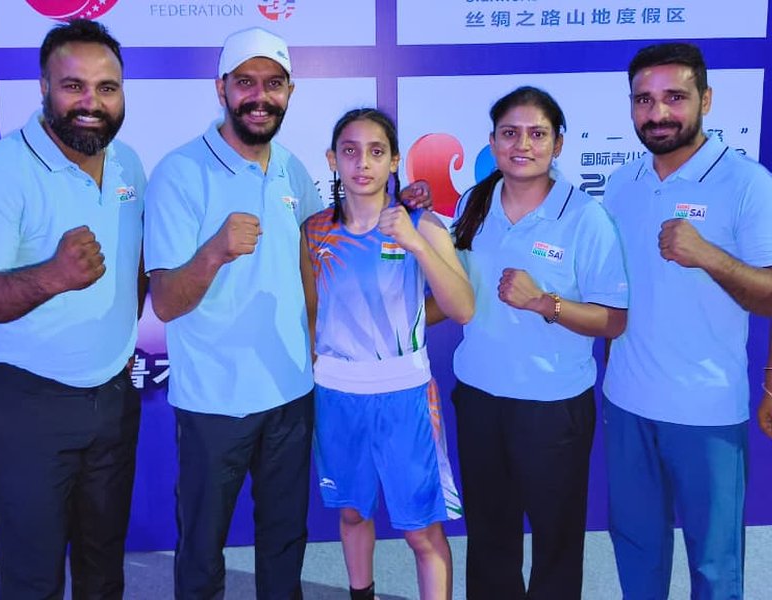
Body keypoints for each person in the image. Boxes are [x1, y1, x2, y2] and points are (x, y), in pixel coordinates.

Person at [143, 28, 430, 600]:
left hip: (293, 393)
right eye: (245, 82)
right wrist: (215, 251)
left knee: (284, 539)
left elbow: (339, 244)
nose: (259, 96)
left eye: (272, 84)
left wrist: (403, 203)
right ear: (220, 88)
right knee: (202, 545)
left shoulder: (293, 170)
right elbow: (167, 302)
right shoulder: (179, 172)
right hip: (213, 401)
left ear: (290, 92)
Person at [0, 19, 145, 599]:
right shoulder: (0, 170)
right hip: (26, 404)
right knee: (31, 576)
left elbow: (134, 272)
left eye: (107, 87)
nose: (91, 102)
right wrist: (51, 277)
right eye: (73, 86)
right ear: (43, 88)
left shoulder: (128, 166)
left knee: (103, 567)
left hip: (114, 400)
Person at [442, 86, 628, 599]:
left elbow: (614, 320)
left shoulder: (585, 218)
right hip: (479, 398)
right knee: (489, 534)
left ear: (558, 144)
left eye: (537, 133)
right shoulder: (475, 201)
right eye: (510, 133)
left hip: (552, 408)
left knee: (557, 540)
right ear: (493, 141)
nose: (522, 144)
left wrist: (546, 302)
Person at [602, 42, 772, 599]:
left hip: (706, 412)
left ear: (707, 99)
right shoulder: (622, 184)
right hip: (626, 404)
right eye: (643, 100)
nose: (658, 113)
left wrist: (708, 255)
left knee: (715, 568)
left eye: (675, 97)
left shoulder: (748, 183)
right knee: (636, 557)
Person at [300, 108, 473, 600]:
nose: (363, 163)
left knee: (421, 530)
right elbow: (313, 313)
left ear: (395, 160)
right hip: (337, 398)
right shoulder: (314, 231)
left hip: (406, 399)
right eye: (350, 151)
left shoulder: (421, 223)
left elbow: (462, 308)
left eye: (377, 152)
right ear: (333, 160)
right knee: (352, 512)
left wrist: (415, 243)